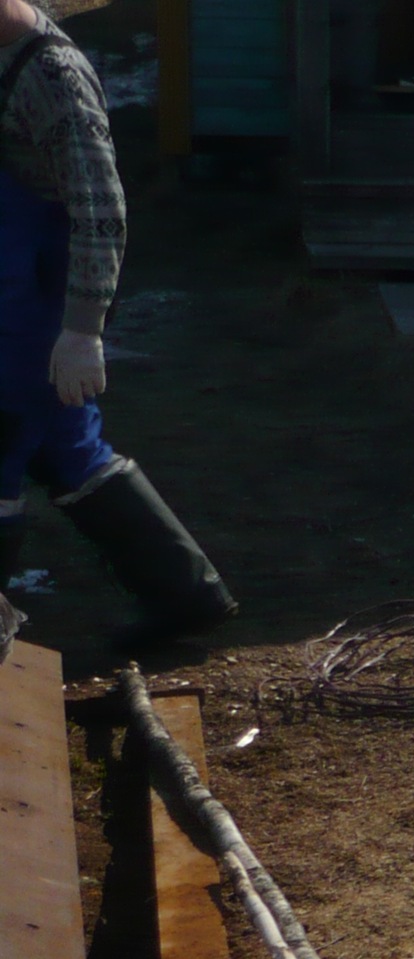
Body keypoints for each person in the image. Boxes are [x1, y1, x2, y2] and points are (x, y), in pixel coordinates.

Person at [0, 0, 234, 648]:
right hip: (11, 284)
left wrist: (82, 329)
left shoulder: (54, 81)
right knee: (67, 448)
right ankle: (186, 595)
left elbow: (101, 209)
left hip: (34, 303)